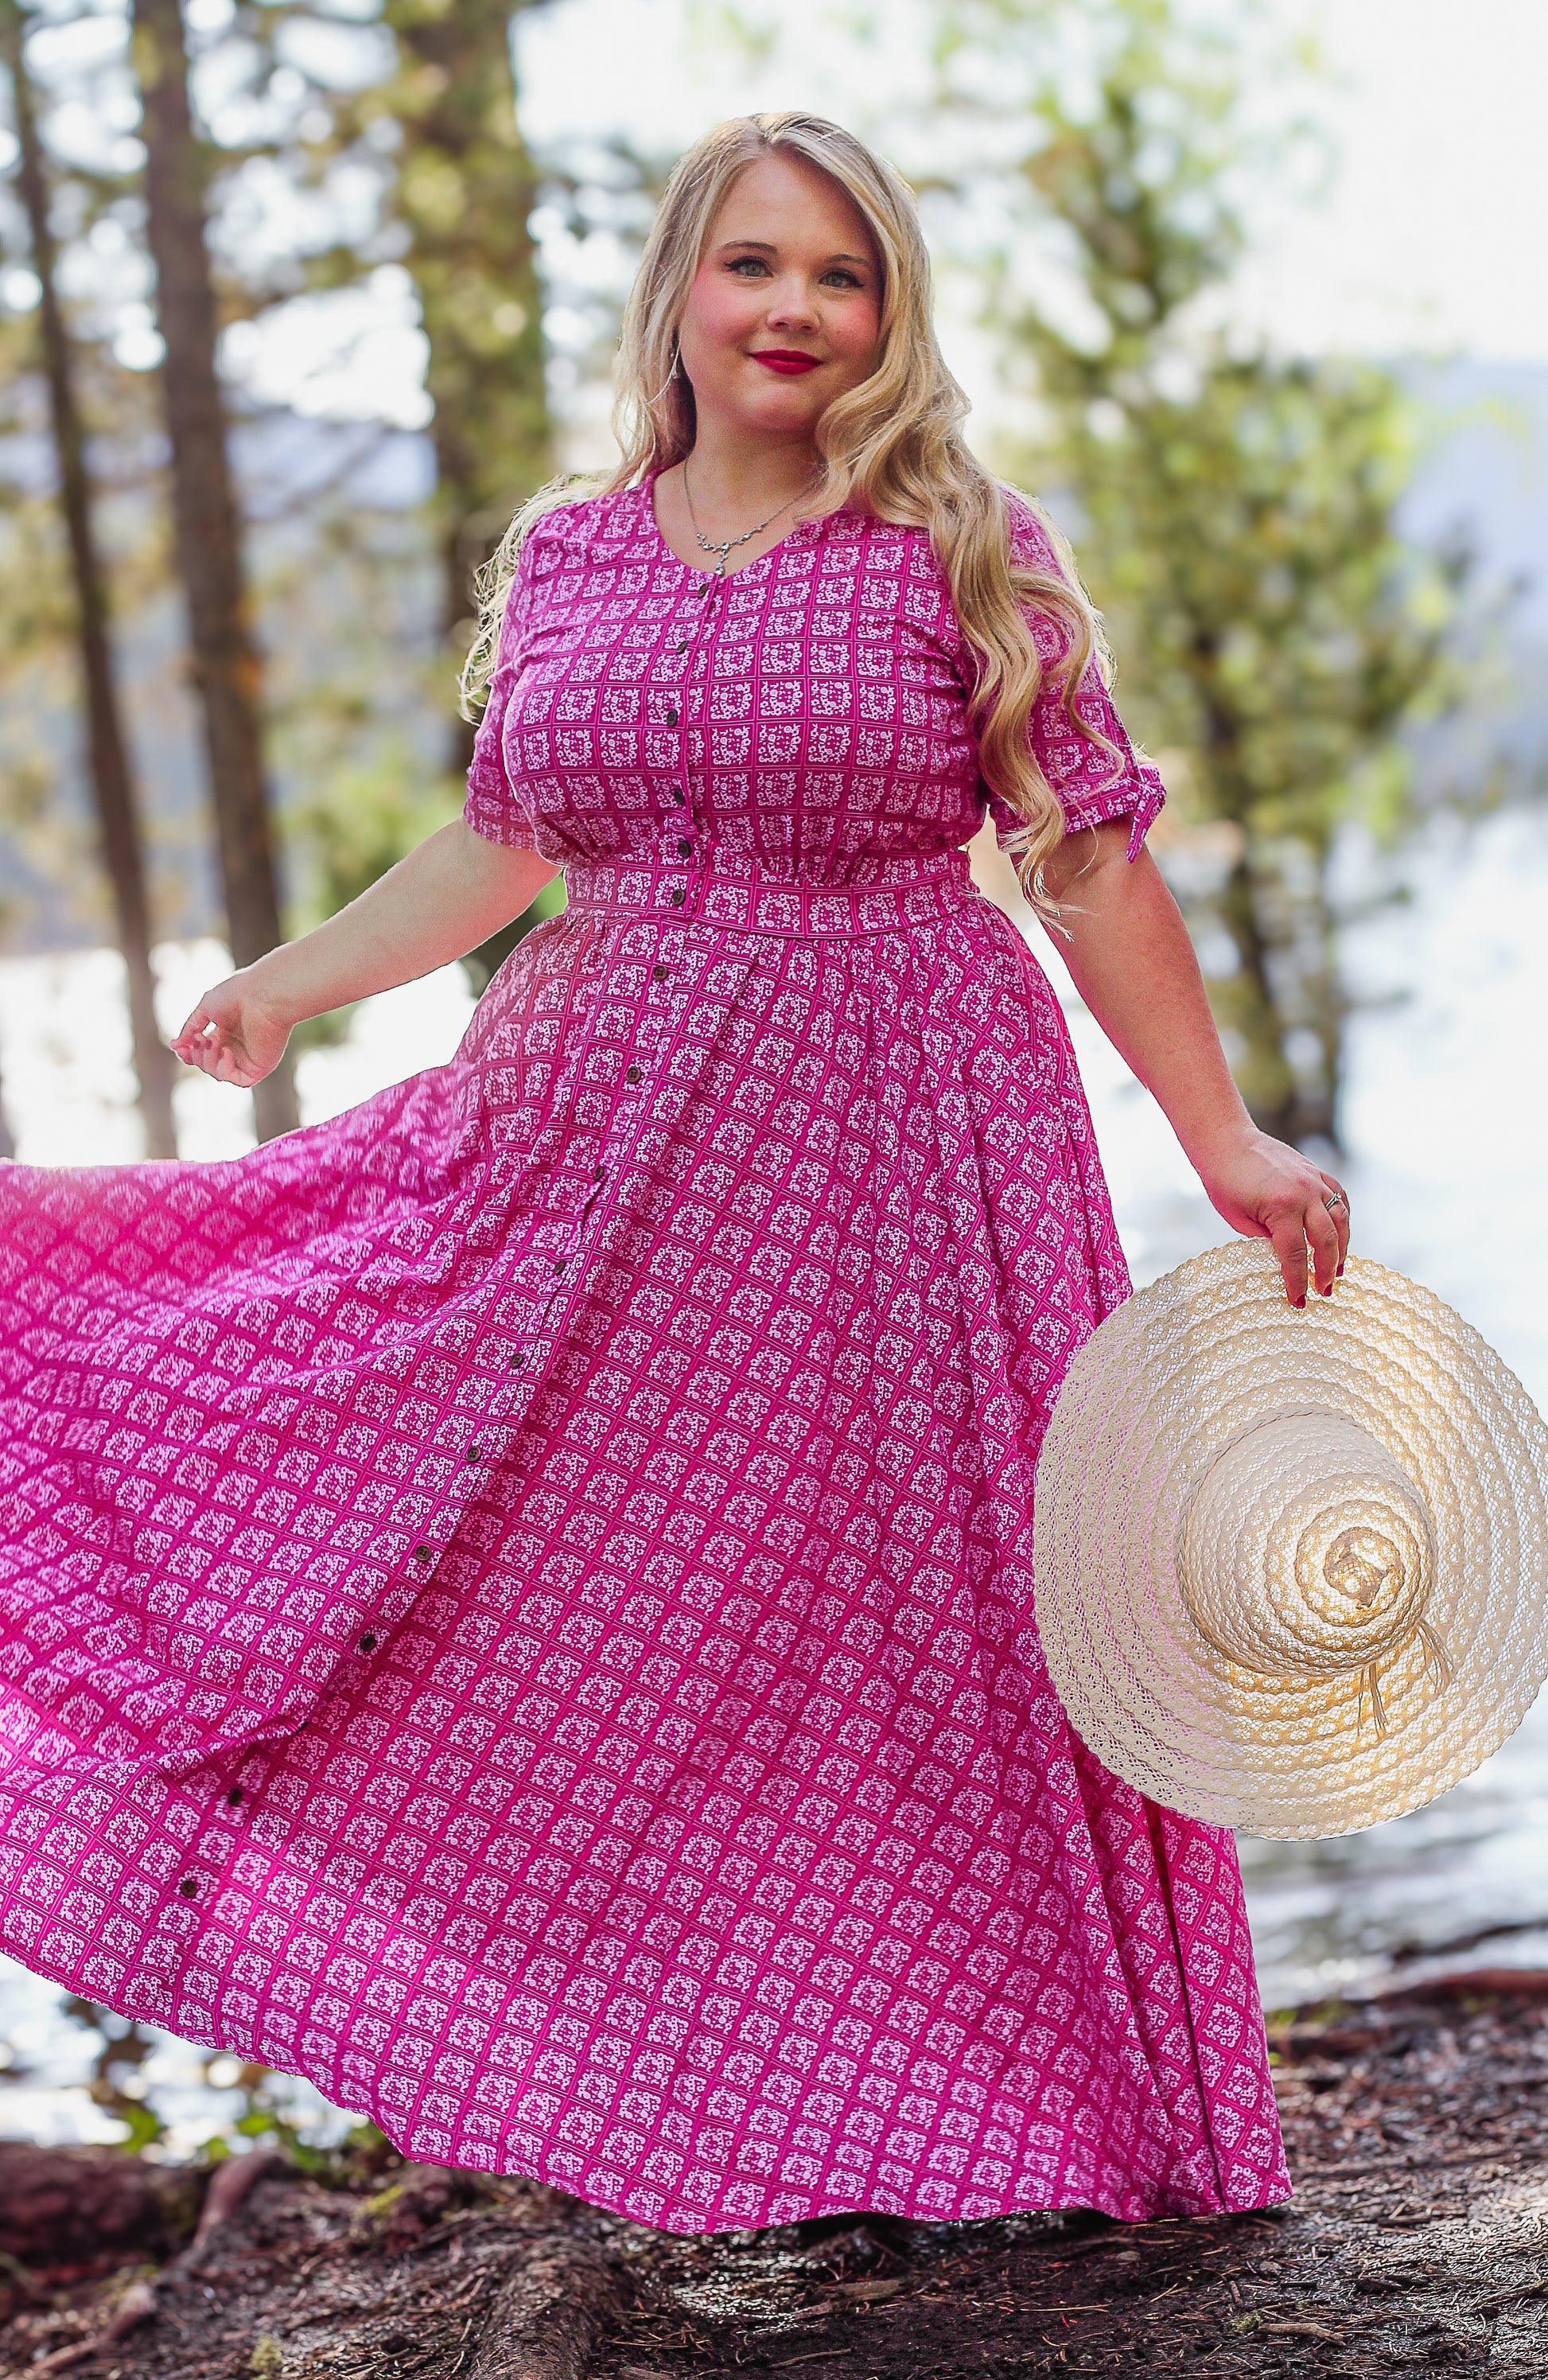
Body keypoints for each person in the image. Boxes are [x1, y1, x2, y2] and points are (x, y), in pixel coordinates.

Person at [0, 112, 1349, 2234]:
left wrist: (1220, 1136)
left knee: (938, 1621)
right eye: (755, 264)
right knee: (549, 1595)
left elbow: (1084, 863)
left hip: (910, 1157)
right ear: (681, 295)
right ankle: (698, 2090)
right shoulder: (572, 554)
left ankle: (1031, 2118)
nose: (796, 307)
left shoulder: (963, 545)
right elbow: (501, 842)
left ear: (888, 311)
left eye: (842, 273)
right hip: (590, 1158)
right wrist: (287, 983)